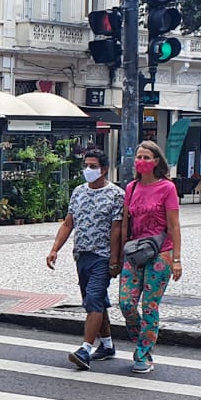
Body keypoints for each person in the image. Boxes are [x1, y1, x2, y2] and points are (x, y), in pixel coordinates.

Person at [47, 149, 124, 370]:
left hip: (102, 255)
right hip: (81, 254)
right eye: (86, 165)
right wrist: (55, 249)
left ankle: (85, 349)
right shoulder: (78, 192)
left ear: (104, 169)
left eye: (93, 166)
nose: (88, 170)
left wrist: (114, 260)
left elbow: (117, 230)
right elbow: (68, 223)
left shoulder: (116, 194)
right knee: (95, 302)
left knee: (93, 300)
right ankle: (107, 345)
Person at [119, 140, 183, 375]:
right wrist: (117, 256)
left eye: (146, 158)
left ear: (156, 162)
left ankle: (143, 352)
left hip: (161, 252)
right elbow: (126, 223)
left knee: (150, 305)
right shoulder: (131, 188)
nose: (141, 162)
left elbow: (174, 226)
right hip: (135, 252)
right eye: (139, 157)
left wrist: (176, 258)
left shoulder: (167, 188)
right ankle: (141, 341)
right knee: (126, 304)